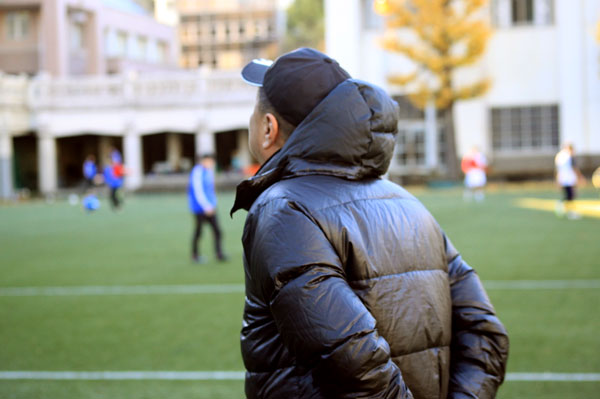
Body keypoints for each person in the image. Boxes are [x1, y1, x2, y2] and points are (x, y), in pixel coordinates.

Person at [231, 48, 509, 399]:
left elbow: (355, 366)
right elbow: (487, 335)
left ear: (268, 128)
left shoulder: (283, 209)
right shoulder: (407, 202)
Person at [188, 153, 226, 263]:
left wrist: (213, 204)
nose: (211, 163)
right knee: (199, 232)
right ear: (204, 161)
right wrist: (206, 206)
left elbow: (210, 190)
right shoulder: (197, 172)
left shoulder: (209, 172)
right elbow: (198, 191)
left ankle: (219, 254)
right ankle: (195, 255)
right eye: (209, 161)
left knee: (217, 231)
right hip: (200, 208)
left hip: (210, 207)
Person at [555, 143, 584, 219]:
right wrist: (580, 177)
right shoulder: (569, 156)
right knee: (571, 195)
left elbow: (557, 170)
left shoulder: (559, 156)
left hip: (563, 179)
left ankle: (561, 205)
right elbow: (574, 168)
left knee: (569, 195)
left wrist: (558, 180)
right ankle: (570, 212)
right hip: (569, 179)